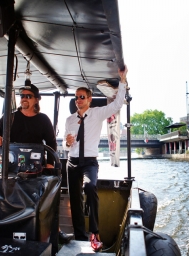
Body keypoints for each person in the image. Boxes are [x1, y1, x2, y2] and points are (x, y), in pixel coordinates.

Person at [0, 82, 73, 243]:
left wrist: (49, 164)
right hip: (12, 166)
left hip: (36, 168)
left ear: (36, 100)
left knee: (47, 197)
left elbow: (51, 143)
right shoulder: (11, 116)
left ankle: (55, 231)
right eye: (22, 96)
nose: (24, 99)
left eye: (28, 96)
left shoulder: (43, 119)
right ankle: (7, 229)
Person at [63, 68, 128, 251]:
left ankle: (95, 233)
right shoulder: (69, 120)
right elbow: (66, 144)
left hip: (89, 162)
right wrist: (67, 143)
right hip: (72, 163)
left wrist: (122, 81)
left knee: (90, 186)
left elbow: (116, 105)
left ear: (89, 99)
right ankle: (80, 236)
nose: (78, 100)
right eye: (76, 97)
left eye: (82, 97)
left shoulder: (97, 113)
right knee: (75, 201)